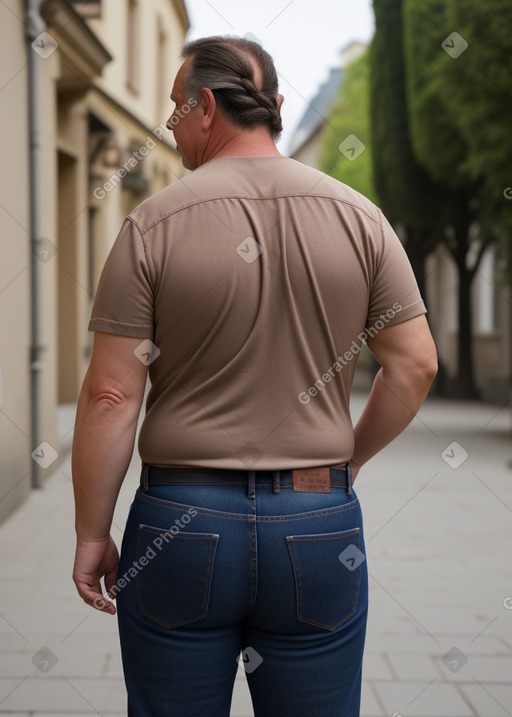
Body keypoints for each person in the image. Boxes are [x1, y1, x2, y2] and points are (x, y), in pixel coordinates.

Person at [72, 35, 437, 717]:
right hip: (317, 527)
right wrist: (340, 464)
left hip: (180, 525)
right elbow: (415, 363)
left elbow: (112, 393)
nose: (172, 128)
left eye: (175, 111)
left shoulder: (152, 224)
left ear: (206, 107)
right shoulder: (360, 218)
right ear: (272, 107)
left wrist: (92, 532)